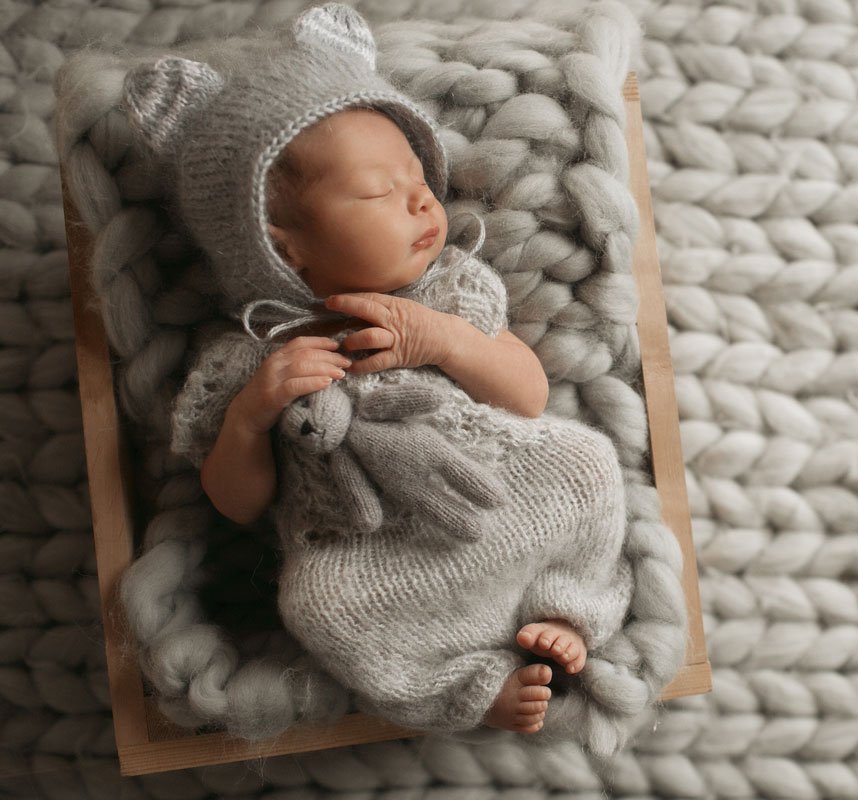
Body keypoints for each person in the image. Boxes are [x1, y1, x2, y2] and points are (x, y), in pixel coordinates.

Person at [123, 3, 634, 739]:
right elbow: (238, 504)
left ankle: (570, 613)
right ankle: (468, 687)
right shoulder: (255, 361)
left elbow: (528, 395)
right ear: (284, 247)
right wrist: (251, 415)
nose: (421, 198)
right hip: (369, 551)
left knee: (588, 463)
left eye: (417, 176)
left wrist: (447, 343)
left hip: (501, 487)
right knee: (319, 609)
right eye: (378, 192)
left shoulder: (447, 295)